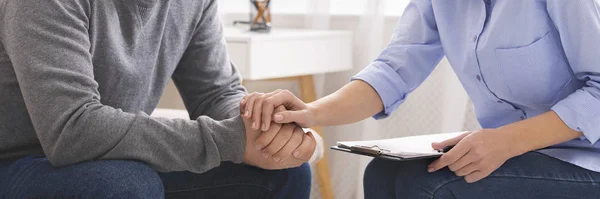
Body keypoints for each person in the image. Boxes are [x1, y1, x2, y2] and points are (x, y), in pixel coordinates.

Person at [241, 0, 600, 198]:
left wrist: (505, 141)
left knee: (430, 185)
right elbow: (392, 70)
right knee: (383, 173)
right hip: (517, 155)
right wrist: (310, 113)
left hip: (587, 162)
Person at [0, 0, 316, 198]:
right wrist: (232, 140)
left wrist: (264, 126)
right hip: (17, 163)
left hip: (116, 160)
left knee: (285, 172)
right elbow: (73, 130)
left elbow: (216, 93)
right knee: (125, 184)